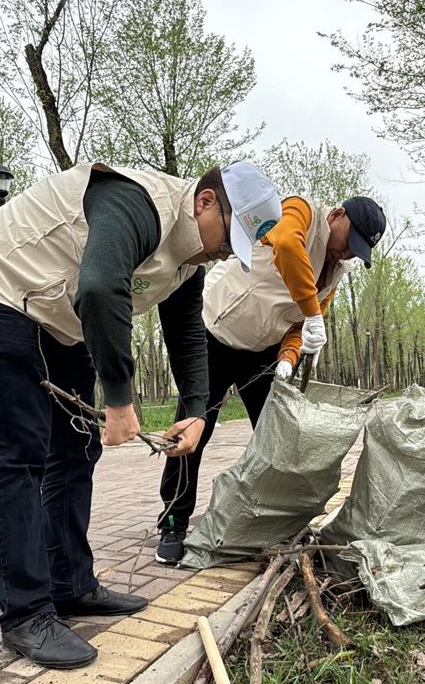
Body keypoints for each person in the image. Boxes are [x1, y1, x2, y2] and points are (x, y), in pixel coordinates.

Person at [0, 160, 281, 668]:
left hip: (59, 319)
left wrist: (196, 410)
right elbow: (101, 287)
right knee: (19, 456)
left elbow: (187, 335)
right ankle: (27, 615)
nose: (228, 251)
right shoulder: (138, 201)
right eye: (230, 236)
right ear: (205, 201)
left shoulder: (189, 262)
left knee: (76, 450)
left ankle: (70, 584)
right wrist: (120, 398)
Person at [155, 193, 386, 563]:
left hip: (263, 351)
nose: (349, 253)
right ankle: (173, 521)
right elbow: (286, 246)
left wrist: (288, 357)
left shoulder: (335, 273)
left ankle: (271, 522)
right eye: (351, 241)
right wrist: (313, 313)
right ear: (338, 215)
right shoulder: (302, 212)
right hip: (215, 334)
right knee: (193, 430)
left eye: (358, 251)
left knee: (278, 437)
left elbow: (298, 327)